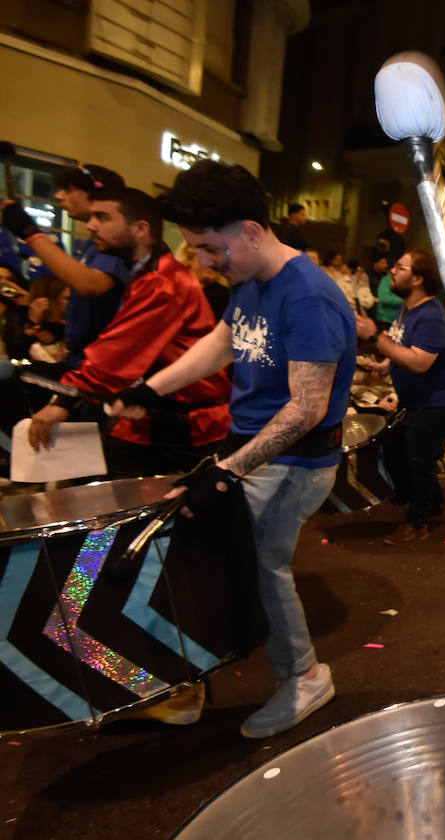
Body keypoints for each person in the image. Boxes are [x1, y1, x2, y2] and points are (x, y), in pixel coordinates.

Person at [110, 161, 355, 738]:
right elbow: (224, 343)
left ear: (249, 231)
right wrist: (150, 390)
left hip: (293, 463)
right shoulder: (249, 281)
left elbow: (306, 409)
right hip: (250, 452)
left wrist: (224, 473)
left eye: (208, 248)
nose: (202, 263)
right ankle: (187, 682)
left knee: (265, 567)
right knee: (210, 553)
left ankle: (305, 676)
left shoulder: (309, 297)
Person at [26, 187, 231, 475]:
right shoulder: (144, 274)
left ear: (140, 229)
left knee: (122, 508)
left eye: (103, 217)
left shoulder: (162, 280)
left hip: (188, 423)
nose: (90, 224)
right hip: (152, 413)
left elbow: (119, 349)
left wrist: (64, 399)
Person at [355, 251, 445, 544]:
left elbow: (418, 362)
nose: (391, 270)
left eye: (400, 268)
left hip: (435, 404)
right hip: (416, 400)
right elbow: (402, 346)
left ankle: (418, 523)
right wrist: (385, 364)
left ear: (417, 279)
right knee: (409, 456)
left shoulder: (432, 316)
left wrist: (375, 337)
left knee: (418, 463)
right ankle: (437, 504)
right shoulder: (409, 308)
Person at [1, 163, 129, 368]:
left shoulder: (115, 243)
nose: (59, 196)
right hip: (81, 357)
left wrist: (30, 233)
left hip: (102, 361)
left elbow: (90, 284)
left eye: (69, 190)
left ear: (94, 194)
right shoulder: (88, 244)